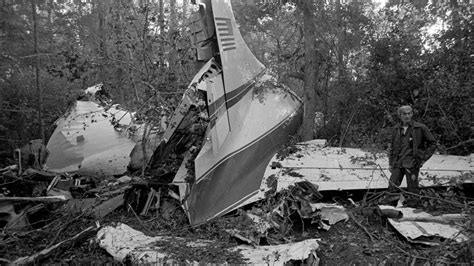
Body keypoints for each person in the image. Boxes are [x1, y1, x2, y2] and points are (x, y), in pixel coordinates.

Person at [388, 105, 437, 195]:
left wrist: (423, 158)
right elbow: (392, 147)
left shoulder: (420, 128)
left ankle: (414, 206)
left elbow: (432, 143)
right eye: (404, 114)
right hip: (398, 163)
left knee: (412, 189)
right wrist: (391, 163)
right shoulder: (396, 129)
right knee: (392, 186)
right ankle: (390, 207)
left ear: (412, 114)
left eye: (409, 113)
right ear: (400, 115)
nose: (407, 116)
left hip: (412, 163)